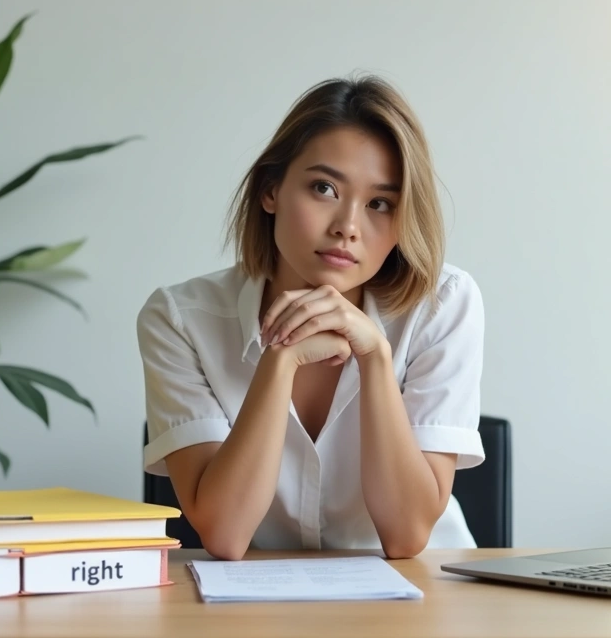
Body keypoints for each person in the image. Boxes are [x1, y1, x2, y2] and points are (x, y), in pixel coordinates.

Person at [137, 75, 485, 561]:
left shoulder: (442, 304)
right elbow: (225, 534)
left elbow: (406, 538)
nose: (347, 227)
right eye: (324, 188)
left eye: (379, 204)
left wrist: (376, 359)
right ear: (270, 190)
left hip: (424, 590)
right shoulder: (179, 319)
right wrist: (278, 361)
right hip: (263, 601)